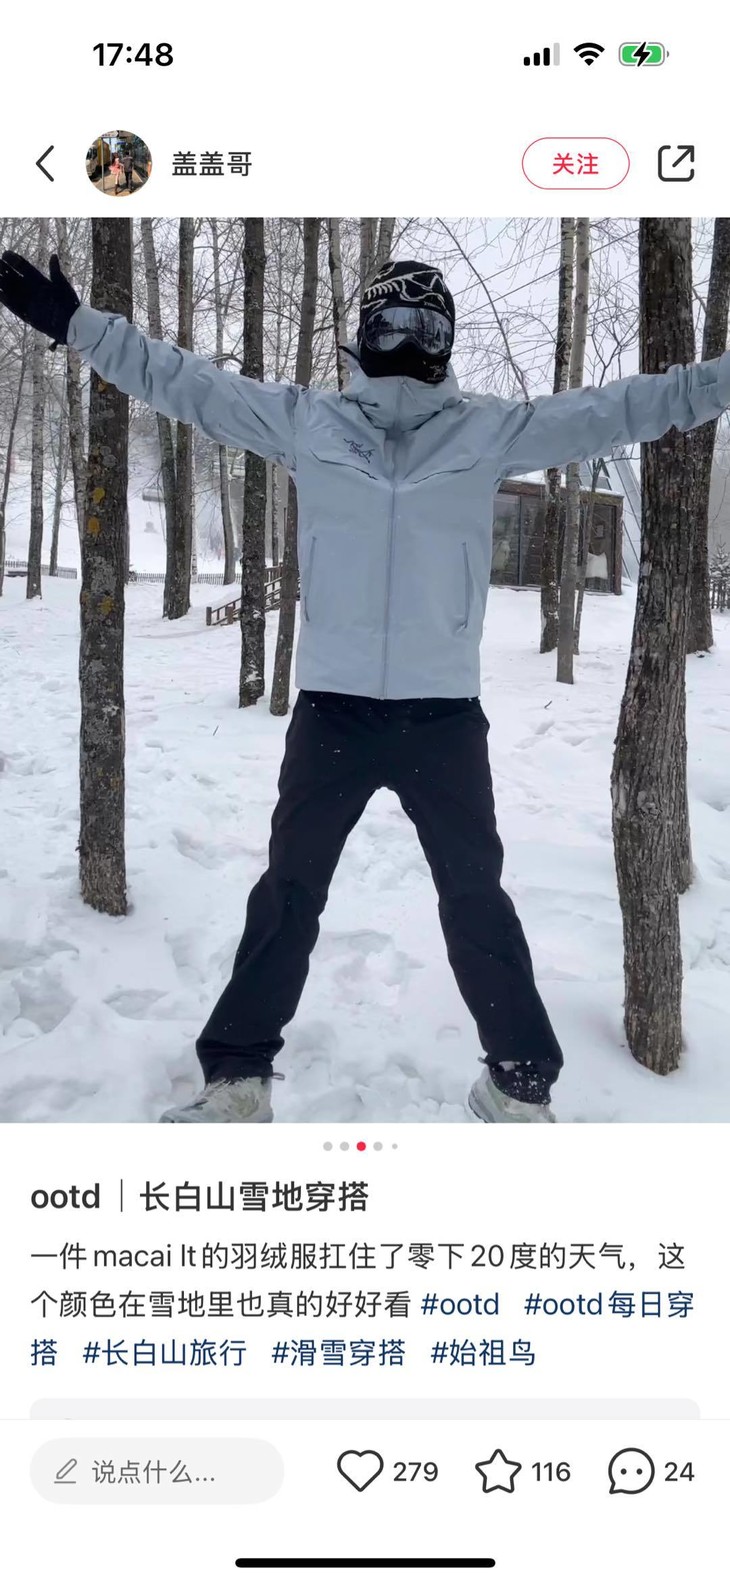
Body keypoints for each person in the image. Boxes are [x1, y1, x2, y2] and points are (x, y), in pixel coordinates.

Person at [1, 250, 729, 1127]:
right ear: (365, 332)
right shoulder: (309, 422)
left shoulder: (488, 430)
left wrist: (720, 379)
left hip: (441, 717)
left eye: (426, 326)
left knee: (475, 896)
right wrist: (81, 328)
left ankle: (519, 1080)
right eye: (391, 322)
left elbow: (624, 407)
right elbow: (186, 383)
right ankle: (238, 1077)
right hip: (333, 712)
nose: (407, 341)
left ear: (446, 341)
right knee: (289, 892)